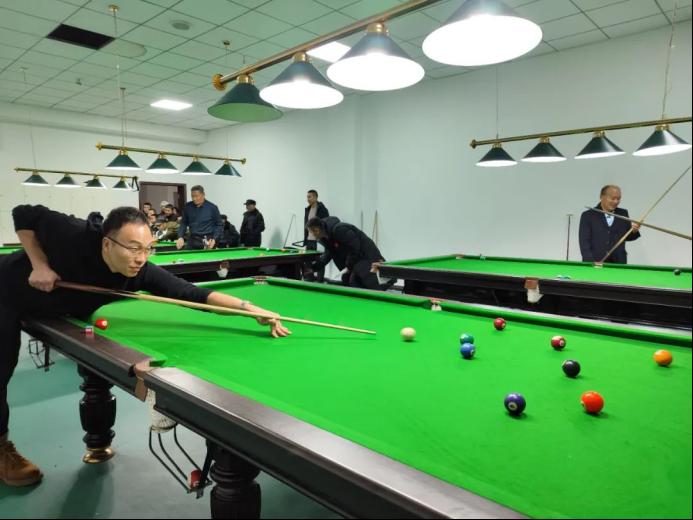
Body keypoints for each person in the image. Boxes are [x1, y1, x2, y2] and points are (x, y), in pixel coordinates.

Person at [0, 205, 289, 487]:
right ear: (107, 244)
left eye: (148, 248)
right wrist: (39, 265)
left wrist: (249, 309)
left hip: (53, 305)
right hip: (7, 289)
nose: (141, 258)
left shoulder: (139, 273)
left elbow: (191, 294)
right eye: (133, 248)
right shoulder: (76, 234)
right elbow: (24, 213)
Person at [306, 216, 385, 290]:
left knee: (358, 282)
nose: (311, 235)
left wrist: (348, 265)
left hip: (366, 256)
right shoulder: (325, 238)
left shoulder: (340, 229)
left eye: (311, 232)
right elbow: (328, 255)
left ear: (316, 230)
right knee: (346, 278)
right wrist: (313, 268)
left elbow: (354, 247)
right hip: (357, 259)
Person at [579, 185, 641, 264]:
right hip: (596, 263)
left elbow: (627, 237)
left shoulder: (623, 213)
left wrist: (634, 230)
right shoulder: (588, 215)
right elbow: (584, 242)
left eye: (618, 199)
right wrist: (590, 262)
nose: (616, 201)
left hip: (618, 263)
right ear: (602, 197)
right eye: (613, 198)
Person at [177, 186, 223, 250]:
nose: (194, 199)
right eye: (192, 196)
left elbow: (219, 225)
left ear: (203, 195)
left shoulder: (212, 208)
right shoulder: (187, 206)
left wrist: (215, 238)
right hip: (192, 240)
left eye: (196, 196)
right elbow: (184, 223)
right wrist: (180, 236)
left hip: (208, 241)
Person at [303, 190, 329, 282]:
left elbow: (325, 225)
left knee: (320, 260)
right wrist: (305, 238)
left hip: (319, 240)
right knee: (308, 260)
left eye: (310, 197)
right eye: (307, 197)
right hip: (309, 240)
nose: (308, 199)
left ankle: (319, 280)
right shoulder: (307, 209)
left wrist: (323, 238)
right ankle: (310, 278)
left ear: (315, 197)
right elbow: (306, 225)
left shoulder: (322, 209)